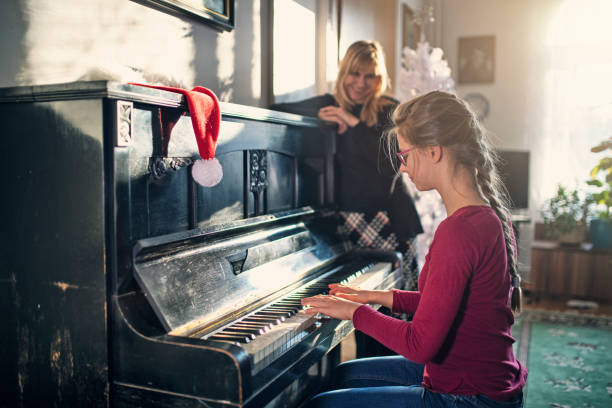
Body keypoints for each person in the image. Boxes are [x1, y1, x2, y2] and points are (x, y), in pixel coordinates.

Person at [301, 90, 527, 408]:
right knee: (343, 376)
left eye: (404, 156)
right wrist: (371, 297)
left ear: (434, 152)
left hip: (468, 396)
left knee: (320, 405)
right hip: (482, 380)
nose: (403, 168)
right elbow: (444, 303)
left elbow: (419, 345)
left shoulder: (459, 231)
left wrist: (355, 313)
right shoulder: (484, 215)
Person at [270, 40, 423, 357]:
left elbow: (392, 163)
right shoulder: (328, 104)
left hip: (391, 224)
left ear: (378, 79)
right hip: (347, 226)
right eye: (355, 73)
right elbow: (278, 112)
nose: (361, 83)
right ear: (344, 72)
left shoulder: (387, 110)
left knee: (393, 318)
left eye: (369, 76)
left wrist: (352, 125)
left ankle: (389, 384)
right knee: (352, 310)